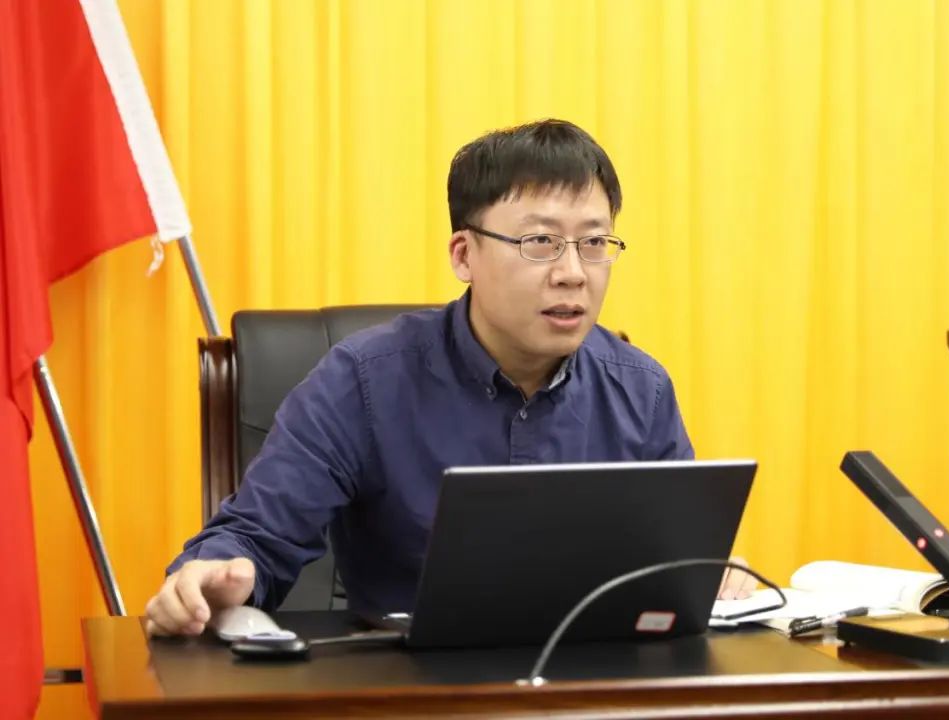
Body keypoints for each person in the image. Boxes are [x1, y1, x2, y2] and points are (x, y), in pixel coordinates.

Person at [146, 119, 755, 636]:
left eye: (594, 242)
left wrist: (708, 575)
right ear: (464, 254)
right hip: (409, 694)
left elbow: (676, 566)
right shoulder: (363, 382)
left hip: (590, 692)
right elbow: (256, 536)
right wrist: (215, 575)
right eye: (541, 242)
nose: (573, 272)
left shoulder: (640, 389)